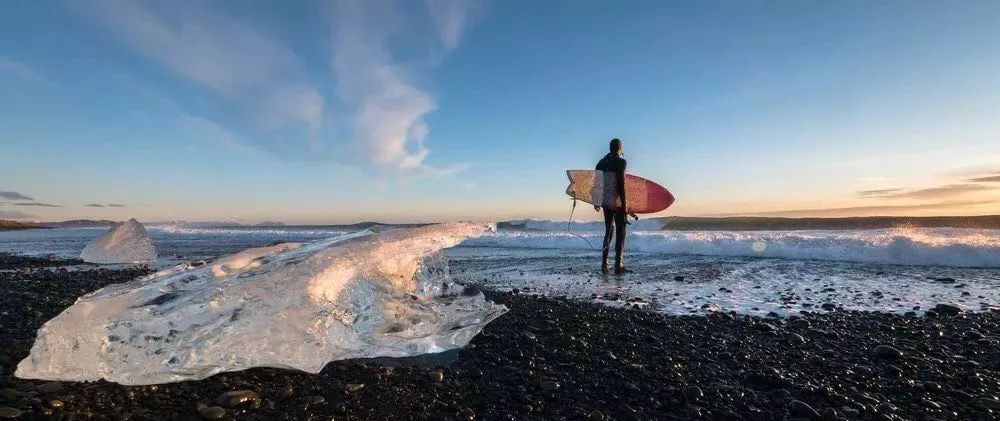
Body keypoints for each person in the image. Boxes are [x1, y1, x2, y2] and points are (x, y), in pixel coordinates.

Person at [594, 138, 634, 274]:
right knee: (621, 231)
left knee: (609, 231)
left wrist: (596, 201)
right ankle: (619, 265)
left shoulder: (600, 163)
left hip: (606, 201)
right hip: (616, 201)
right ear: (620, 148)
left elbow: (597, 184)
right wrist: (624, 206)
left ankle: (604, 263)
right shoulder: (621, 162)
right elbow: (621, 184)